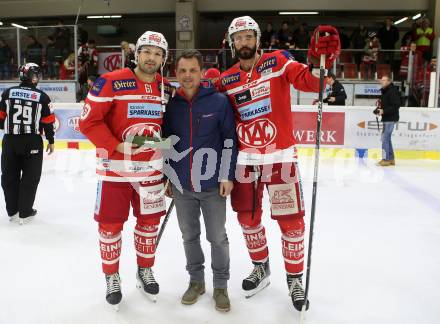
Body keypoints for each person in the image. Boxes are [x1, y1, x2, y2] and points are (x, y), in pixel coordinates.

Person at [218, 16, 340, 311]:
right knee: (247, 221)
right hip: (245, 163)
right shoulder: (228, 79)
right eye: (238, 38)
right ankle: (261, 267)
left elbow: (311, 82)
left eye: (249, 37)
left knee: (292, 224)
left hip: (280, 159)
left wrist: (318, 63)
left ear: (258, 39)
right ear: (232, 43)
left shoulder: (278, 62)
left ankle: (295, 280)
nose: (243, 43)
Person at [79, 31, 173, 309]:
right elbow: (89, 122)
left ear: (163, 59)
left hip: (151, 172)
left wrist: (169, 169)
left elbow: (168, 128)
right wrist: (117, 146)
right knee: (110, 227)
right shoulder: (110, 81)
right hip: (115, 171)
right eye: (147, 52)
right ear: (136, 53)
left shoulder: (165, 87)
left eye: (158, 54)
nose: (151, 58)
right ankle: (112, 277)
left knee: (148, 225)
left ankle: (144, 270)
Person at [163, 49, 237, 312]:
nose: (187, 75)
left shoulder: (218, 102)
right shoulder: (172, 105)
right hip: (182, 185)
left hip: (212, 184)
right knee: (189, 236)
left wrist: (227, 174)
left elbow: (230, 140)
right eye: (182, 71)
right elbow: (168, 144)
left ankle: (220, 286)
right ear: (176, 73)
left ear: (202, 73)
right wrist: (168, 176)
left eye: (193, 70)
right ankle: (196, 281)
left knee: (217, 237)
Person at [0, 63, 55, 225]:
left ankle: (13, 211)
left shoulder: (7, 93)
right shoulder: (42, 96)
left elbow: (0, 118)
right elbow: (48, 122)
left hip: (10, 141)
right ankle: (25, 212)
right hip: (32, 142)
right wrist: (51, 140)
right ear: (34, 77)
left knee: (9, 176)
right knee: (30, 178)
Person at [374, 75, 400, 166]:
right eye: (381, 80)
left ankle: (386, 159)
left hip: (391, 118)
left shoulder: (392, 91)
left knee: (384, 138)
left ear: (389, 81)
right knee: (387, 139)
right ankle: (391, 159)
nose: (381, 81)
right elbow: (385, 105)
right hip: (387, 117)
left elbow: (396, 105)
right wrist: (378, 110)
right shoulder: (385, 91)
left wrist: (384, 111)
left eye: (384, 80)